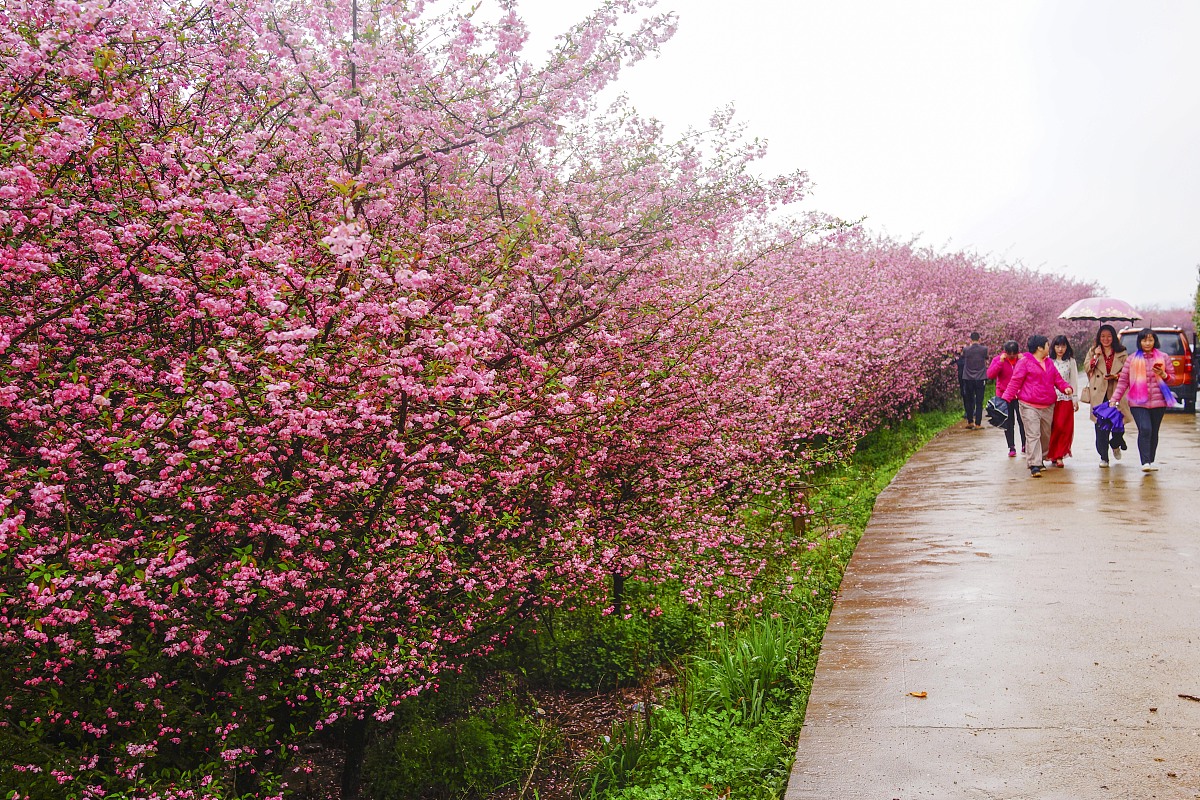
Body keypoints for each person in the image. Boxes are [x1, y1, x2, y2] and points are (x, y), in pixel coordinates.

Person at [1001, 335, 1074, 477]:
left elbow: (1057, 379)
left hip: (1047, 405)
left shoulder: (1049, 363)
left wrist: (1066, 387)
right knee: (1033, 434)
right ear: (1040, 348)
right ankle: (1034, 464)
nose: (1049, 347)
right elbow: (1015, 382)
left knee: (1045, 436)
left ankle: (1040, 458)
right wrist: (1005, 400)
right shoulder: (1025, 362)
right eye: (1047, 345)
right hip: (1029, 405)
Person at [1110, 328, 1175, 473]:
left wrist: (1164, 374)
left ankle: (1151, 460)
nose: (1147, 343)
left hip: (1159, 402)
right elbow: (1123, 382)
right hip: (1138, 402)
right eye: (1144, 340)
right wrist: (1115, 399)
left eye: (1150, 340)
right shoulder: (1132, 359)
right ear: (1139, 341)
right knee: (1145, 429)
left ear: (1155, 341)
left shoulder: (1163, 357)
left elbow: (1173, 379)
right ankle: (1145, 462)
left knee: (1154, 431)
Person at [1082, 324, 1130, 468]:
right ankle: (1104, 457)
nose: (1106, 339)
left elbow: (1128, 372)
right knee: (1100, 427)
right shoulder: (1093, 351)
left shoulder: (1121, 352)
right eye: (1102, 336)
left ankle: (1115, 443)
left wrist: (1116, 375)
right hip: (1099, 392)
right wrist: (1096, 355)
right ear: (1098, 337)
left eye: (1109, 336)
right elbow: (1087, 368)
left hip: (1116, 391)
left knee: (1117, 424)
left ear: (1114, 337)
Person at [987, 341, 1026, 457]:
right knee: (1008, 422)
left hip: (1020, 395)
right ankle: (1011, 447)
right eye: (1010, 353)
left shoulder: (1022, 359)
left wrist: (1023, 360)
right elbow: (990, 375)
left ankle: (1025, 445)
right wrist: (1000, 362)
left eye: (1014, 353)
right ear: (1005, 352)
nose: (1012, 356)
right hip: (1004, 396)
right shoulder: (998, 359)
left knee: (1022, 421)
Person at [1045, 335, 1079, 467]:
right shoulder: (1048, 361)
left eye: (1063, 346)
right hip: (1051, 398)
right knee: (1052, 427)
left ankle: (1060, 455)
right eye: (1058, 346)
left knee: (1063, 427)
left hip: (1065, 398)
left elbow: (1074, 380)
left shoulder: (1071, 361)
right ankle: (1052, 453)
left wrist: (1074, 399)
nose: (1060, 349)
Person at [959, 332, 989, 429]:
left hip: (968, 377)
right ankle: (978, 424)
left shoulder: (966, 349)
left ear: (970, 339)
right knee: (979, 401)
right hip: (980, 377)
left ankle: (970, 421)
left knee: (969, 399)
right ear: (979, 339)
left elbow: (963, 355)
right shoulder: (984, 349)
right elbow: (986, 357)